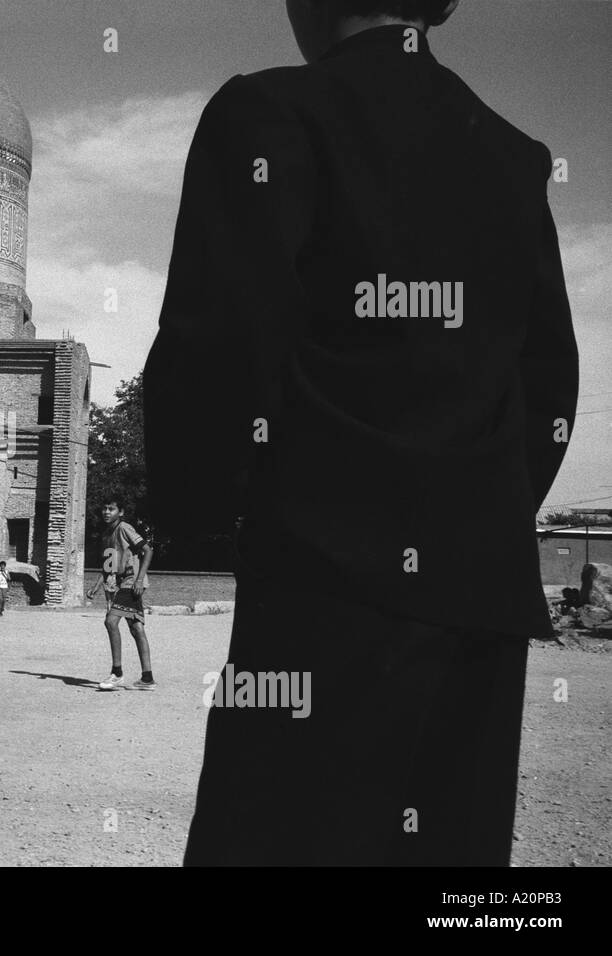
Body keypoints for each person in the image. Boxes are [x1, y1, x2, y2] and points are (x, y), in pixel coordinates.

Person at [143, 0, 578, 865]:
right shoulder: (512, 157)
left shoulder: (269, 114)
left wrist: (198, 514)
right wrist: (468, 521)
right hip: (475, 608)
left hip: (320, 586)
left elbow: (219, 341)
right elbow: (548, 382)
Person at [86, 500, 155, 690]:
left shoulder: (124, 528)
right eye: (104, 508)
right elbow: (108, 568)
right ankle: (147, 679)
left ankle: (117, 673)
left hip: (132, 581)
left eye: (111, 509)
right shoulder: (107, 535)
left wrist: (140, 580)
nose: (106, 512)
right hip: (121, 583)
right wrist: (96, 587)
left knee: (110, 621)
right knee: (137, 629)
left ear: (121, 512)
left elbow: (148, 550)